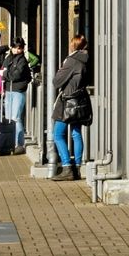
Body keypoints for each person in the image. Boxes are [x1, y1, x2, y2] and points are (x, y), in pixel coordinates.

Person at [50, 34, 90, 181]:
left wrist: (63, 67)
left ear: (73, 45)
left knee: (58, 134)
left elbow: (56, 81)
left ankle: (67, 167)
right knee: (76, 133)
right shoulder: (86, 60)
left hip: (67, 101)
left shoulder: (72, 61)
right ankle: (77, 167)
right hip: (80, 101)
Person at [2, 37, 33, 156]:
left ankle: (19, 144)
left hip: (18, 91)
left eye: (20, 48)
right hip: (9, 90)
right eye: (15, 47)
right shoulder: (8, 58)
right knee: (9, 117)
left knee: (16, 117)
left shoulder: (22, 61)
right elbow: (7, 72)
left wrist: (5, 74)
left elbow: (16, 75)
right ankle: (11, 142)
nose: (17, 50)